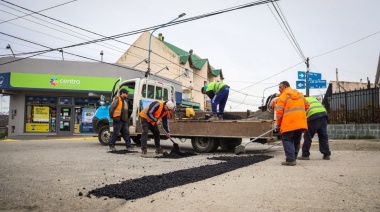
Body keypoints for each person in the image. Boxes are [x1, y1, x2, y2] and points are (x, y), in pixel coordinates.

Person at [275, 81, 309, 166]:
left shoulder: (283, 96)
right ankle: (293, 158)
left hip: (289, 123)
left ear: (285, 87)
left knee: (287, 140)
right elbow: (307, 106)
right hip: (300, 122)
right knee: (296, 141)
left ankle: (290, 160)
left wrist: (278, 124)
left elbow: (279, 112)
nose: (279, 89)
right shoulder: (300, 94)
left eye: (280, 87)